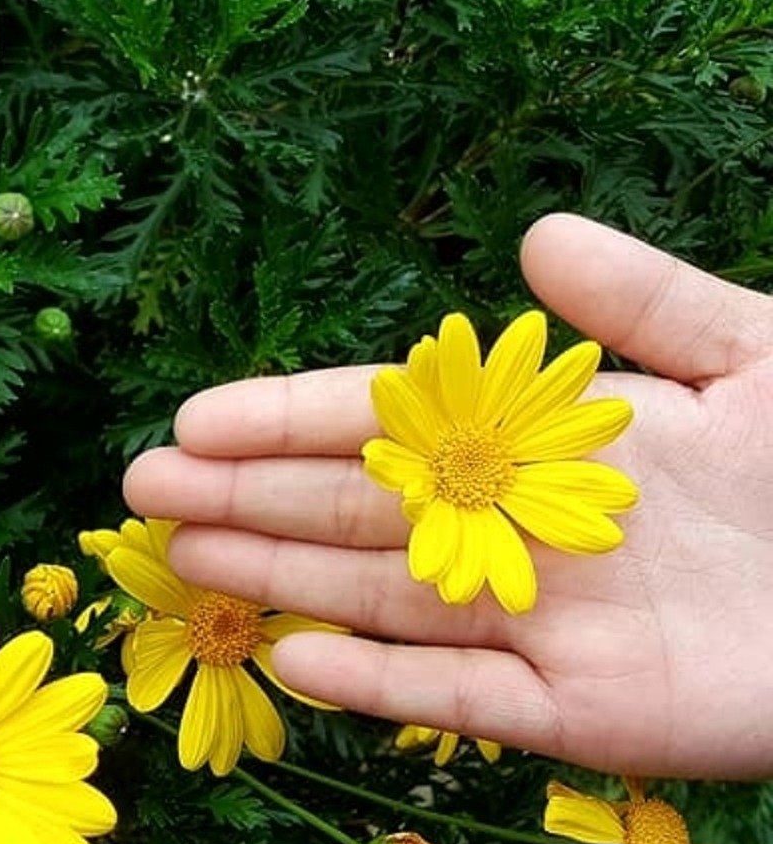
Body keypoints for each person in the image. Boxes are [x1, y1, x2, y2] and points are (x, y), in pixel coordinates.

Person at [120, 213, 773, 780]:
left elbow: (537, 547)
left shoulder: (508, 486)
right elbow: (402, 443)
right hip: (424, 460)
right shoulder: (419, 451)